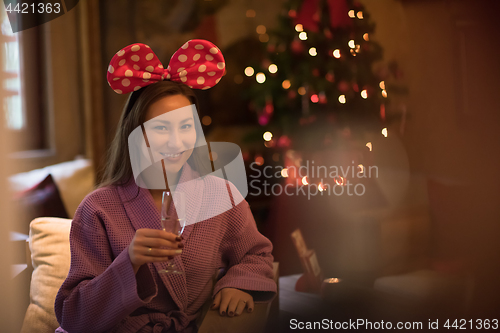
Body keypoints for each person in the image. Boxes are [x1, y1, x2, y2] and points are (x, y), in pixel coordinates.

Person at [54, 40, 276, 333]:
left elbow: (256, 254)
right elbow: (74, 315)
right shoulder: (98, 208)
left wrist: (237, 284)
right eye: (161, 128)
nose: (176, 141)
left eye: (185, 126)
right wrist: (129, 262)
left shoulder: (221, 196)